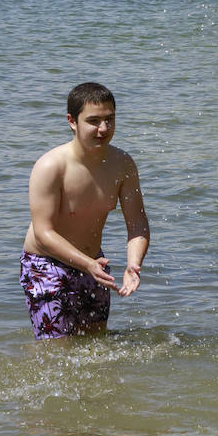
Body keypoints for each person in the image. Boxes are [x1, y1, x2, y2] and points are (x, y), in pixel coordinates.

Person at [20, 83, 150, 339]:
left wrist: (133, 265)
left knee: (95, 345)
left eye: (109, 120)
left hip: (94, 264)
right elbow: (43, 232)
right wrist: (88, 264)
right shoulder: (51, 166)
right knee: (56, 351)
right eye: (93, 121)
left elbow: (137, 224)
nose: (103, 129)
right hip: (47, 265)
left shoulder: (123, 164)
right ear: (72, 121)